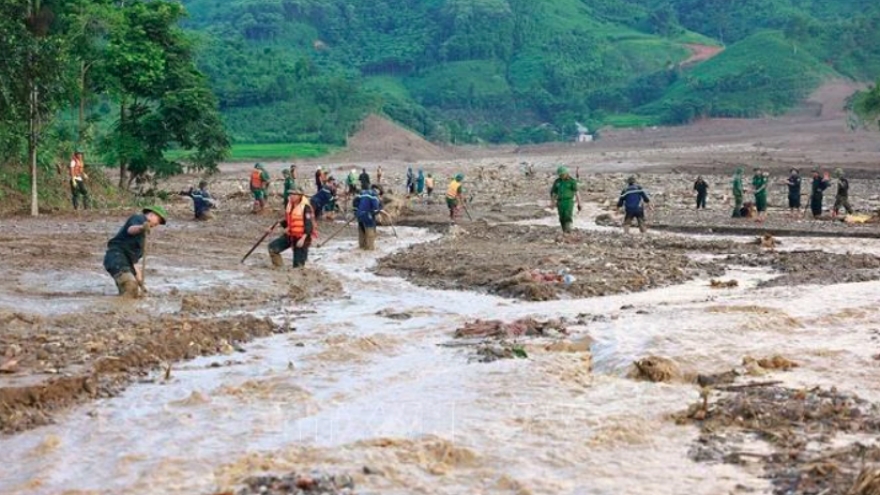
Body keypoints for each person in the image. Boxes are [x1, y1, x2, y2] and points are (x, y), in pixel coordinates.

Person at [103, 206, 167, 298]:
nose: (158, 224)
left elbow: (134, 263)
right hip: (116, 257)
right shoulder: (139, 218)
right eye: (159, 220)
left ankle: (121, 309)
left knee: (133, 291)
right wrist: (142, 227)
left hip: (125, 261)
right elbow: (131, 230)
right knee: (130, 285)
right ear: (152, 215)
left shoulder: (141, 237)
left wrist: (142, 285)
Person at [268, 187, 316, 269]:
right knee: (272, 248)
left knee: (298, 266)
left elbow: (309, 224)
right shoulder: (290, 205)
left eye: (294, 194)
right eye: (290, 194)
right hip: (291, 235)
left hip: (302, 238)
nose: (291, 196)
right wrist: (275, 226)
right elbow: (289, 220)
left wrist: (303, 239)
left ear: (300, 196)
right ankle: (279, 269)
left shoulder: (306, 208)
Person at [550, 166, 582, 233]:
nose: (562, 176)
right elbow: (553, 193)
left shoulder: (571, 181)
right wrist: (552, 203)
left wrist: (579, 204)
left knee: (568, 216)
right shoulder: (557, 182)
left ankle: (569, 230)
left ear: (566, 173)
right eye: (560, 175)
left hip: (568, 202)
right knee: (561, 217)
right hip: (560, 202)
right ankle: (564, 231)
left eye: (563, 174)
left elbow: (577, 193)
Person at [353, 185, 382, 251]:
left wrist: (355, 212)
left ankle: (361, 247)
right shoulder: (373, 194)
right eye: (379, 192)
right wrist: (377, 213)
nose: (378, 194)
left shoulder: (362, 192)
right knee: (370, 233)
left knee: (361, 232)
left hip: (360, 215)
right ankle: (370, 249)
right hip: (367, 215)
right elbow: (375, 206)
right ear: (376, 189)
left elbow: (355, 201)